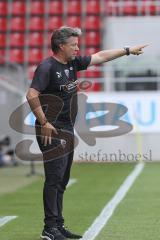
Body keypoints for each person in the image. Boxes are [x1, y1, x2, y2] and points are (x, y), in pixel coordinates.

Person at [26, 26, 147, 240]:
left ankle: (58, 225)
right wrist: (44, 122)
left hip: (67, 128)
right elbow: (31, 93)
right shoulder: (47, 67)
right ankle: (49, 229)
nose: (77, 47)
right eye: (73, 44)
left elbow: (100, 56)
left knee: (62, 179)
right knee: (54, 179)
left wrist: (127, 50)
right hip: (52, 129)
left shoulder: (72, 63)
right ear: (61, 45)